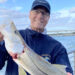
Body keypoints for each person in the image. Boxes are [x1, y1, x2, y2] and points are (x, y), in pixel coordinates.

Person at [0, 0, 73, 75]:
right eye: (36, 11)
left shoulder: (58, 47)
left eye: (44, 13)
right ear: (30, 14)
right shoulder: (14, 38)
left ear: (48, 18)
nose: (40, 16)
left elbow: (65, 69)